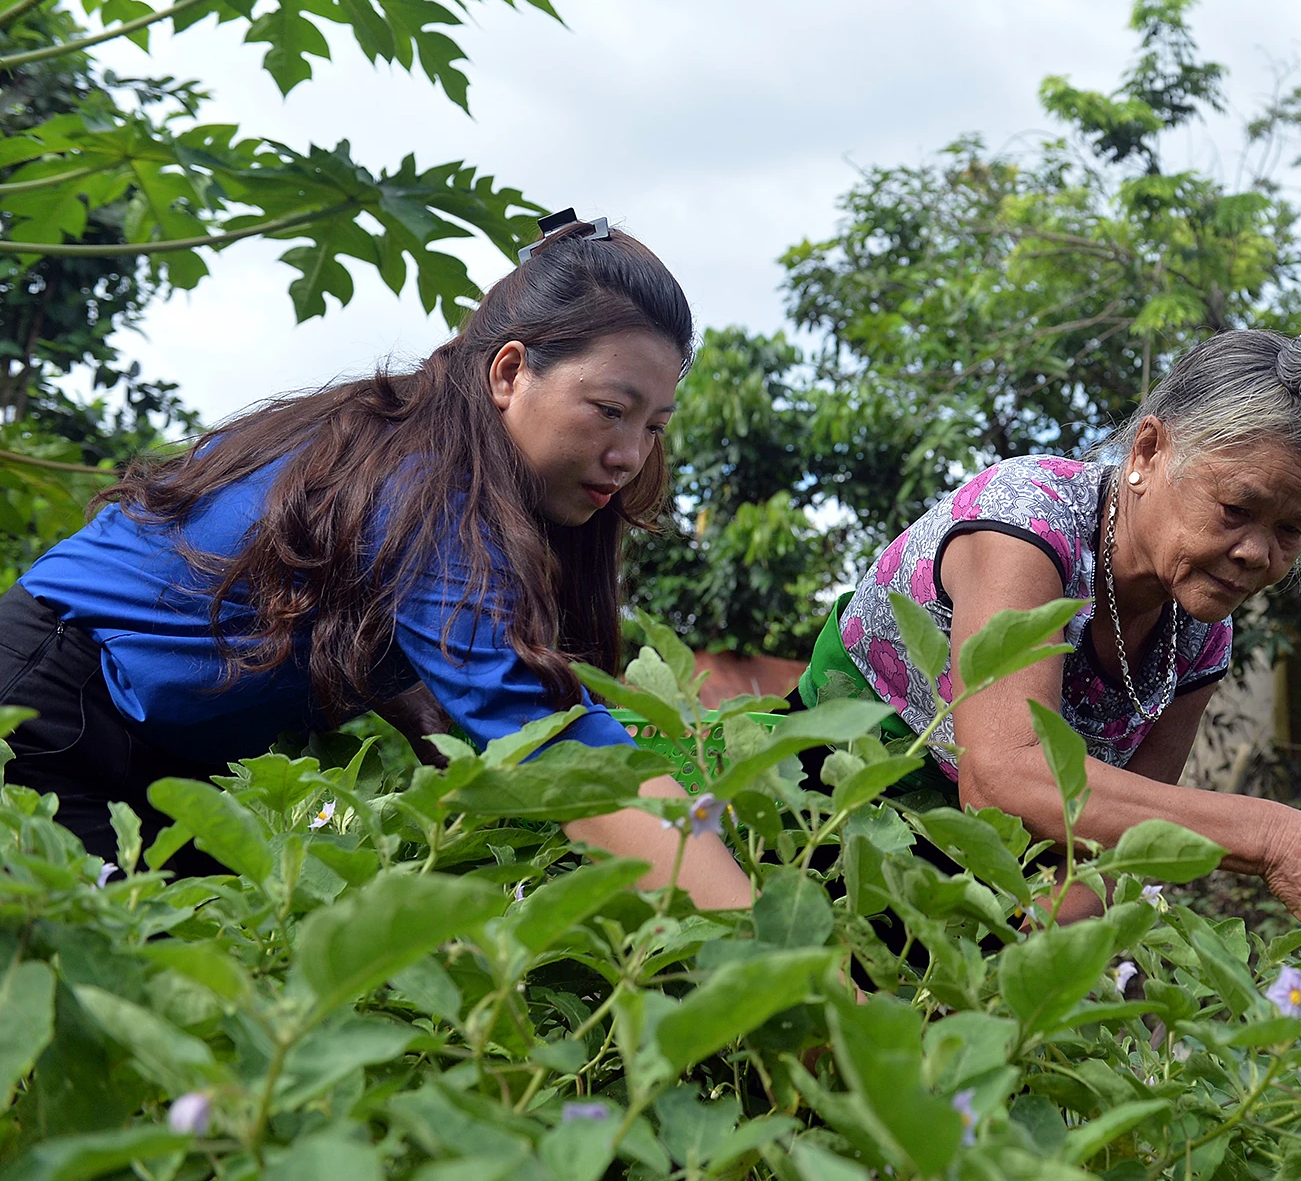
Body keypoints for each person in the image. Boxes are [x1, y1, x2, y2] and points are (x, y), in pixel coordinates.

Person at [0, 212, 751, 908]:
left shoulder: (418, 451)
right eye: (610, 410)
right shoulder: (430, 491)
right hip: (45, 711)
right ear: (509, 372)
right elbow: (558, 747)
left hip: (153, 754)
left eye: (653, 425)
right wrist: (787, 973)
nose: (629, 455)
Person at [793, 328, 1301, 931]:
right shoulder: (1026, 524)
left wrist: (1031, 970)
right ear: (1147, 453)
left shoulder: (1197, 636)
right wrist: (1273, 835)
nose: (1256, 552)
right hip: (819, 827)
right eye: (1236, 510)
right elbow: (1003, 779)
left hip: (973, 897)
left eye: (1290, 530)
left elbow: (1117, 853)